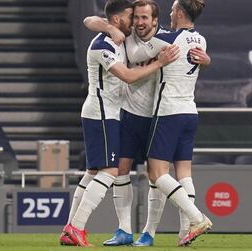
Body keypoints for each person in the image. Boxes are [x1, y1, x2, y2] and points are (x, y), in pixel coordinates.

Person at [83, 0, 211, 247]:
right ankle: (125, 230)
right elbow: (89, 21)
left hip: (158, 115)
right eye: (137, 17)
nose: (140, 22)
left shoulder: (164, 40)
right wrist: (110, 28)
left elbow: (139, 60)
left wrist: (204, 61)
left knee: (156, 176)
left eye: (145, 18)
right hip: (130, 114)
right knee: (122, 169)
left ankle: (152, 232)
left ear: (156, 21)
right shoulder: (128, 35)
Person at [59, 0, 179, 247]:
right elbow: (128, 76)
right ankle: (76, 227)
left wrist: (107, 25)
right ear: (117, 20)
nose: (134, 21)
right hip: (102, 114)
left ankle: (69, 229)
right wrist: (159, 63)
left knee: (92, 173)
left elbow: (91, 20)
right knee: (110, 171)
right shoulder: (103, 45)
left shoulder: (120, 36)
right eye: (130, 17)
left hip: (111, 113)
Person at [128, 0, 213, 247]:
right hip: (190, 113)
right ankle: (183, 232)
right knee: (183, 173)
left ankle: (197, 218)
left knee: (155, 173)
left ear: (180, 12)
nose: (170, 12)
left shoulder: (166, 38)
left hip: (168, 113)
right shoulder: (201, 40)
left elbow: (135, 54)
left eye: (173, 9)